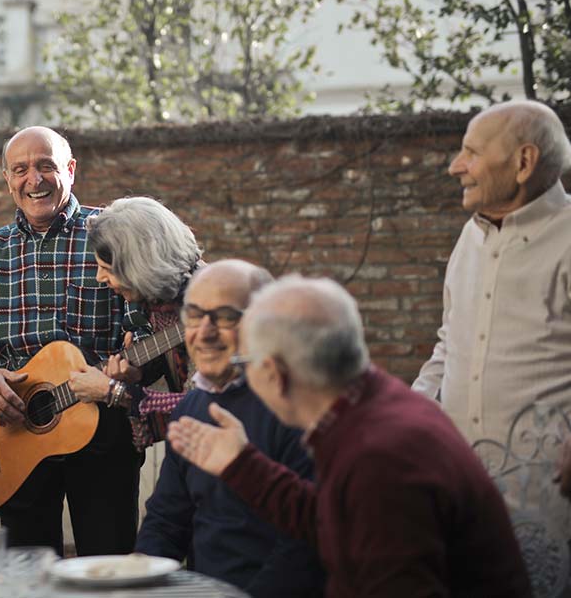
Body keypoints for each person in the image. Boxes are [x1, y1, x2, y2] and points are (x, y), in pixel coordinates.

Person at [168, 275, 532, 596]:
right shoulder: (373, 402)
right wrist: (243, 465)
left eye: (244, 364)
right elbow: (334, 523)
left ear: (274, 374)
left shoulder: (378, 456)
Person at [0, 126, 144, 555]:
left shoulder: (113, 238)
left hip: (102, 436)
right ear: (7, 179)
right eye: (20, 169)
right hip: (12, 439)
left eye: (46, 166)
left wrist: (135, 365)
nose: (34, 180)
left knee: (109, 570)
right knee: (26, 580)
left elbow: (147, 330)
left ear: (71, 170)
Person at [133, 260, 324, 596]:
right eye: (193, 316)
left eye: (224, 317)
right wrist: (134, 581)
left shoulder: (300, 408)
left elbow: (306, 546)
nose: (204, 332)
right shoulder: (192, 408)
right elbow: (165, 523)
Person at [412, 100, 571, 449]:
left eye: (472, 153)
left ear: (523, 162)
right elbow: (451, 342)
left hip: (549, 493)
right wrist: (409, 412)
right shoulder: (470, 236)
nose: (456, 167)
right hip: (468, 484)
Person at [68, 196, 202, 450]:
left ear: (140, 265)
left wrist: (113, 392)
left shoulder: (208, 306)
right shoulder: (164, 302)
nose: (99, 278)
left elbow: (204, 409)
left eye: (107, 268)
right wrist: (139, 373)